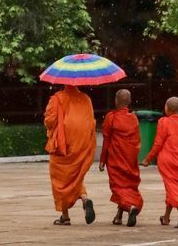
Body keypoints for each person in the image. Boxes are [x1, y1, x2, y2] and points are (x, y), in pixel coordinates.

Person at [142, 96, 178, 228]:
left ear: (166, 108)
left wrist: (148, 159)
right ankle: (166, 217)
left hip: (169, 162)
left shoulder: (163, 121)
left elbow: (158, 143)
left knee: (172, 188)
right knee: (173, 189)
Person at [44, 85, 97, 225]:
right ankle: (85, 199)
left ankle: (65, 215)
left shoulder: (57, 98)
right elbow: (91, 121)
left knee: (61, 178)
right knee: (75, 176)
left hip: (63, 144)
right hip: (81, 144)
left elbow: (50, 121)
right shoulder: (86, 99)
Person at [99, 89, 143, 227]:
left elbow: (106, 140)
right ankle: (118, 216)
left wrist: (102, 160)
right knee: (128, 186)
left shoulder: (111, 117)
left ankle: (130, 208)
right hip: (129, 158)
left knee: (118, 187)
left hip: (115, 158)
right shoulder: (133, 118)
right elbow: (137, 141)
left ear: (115, 101)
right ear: (129, 102)